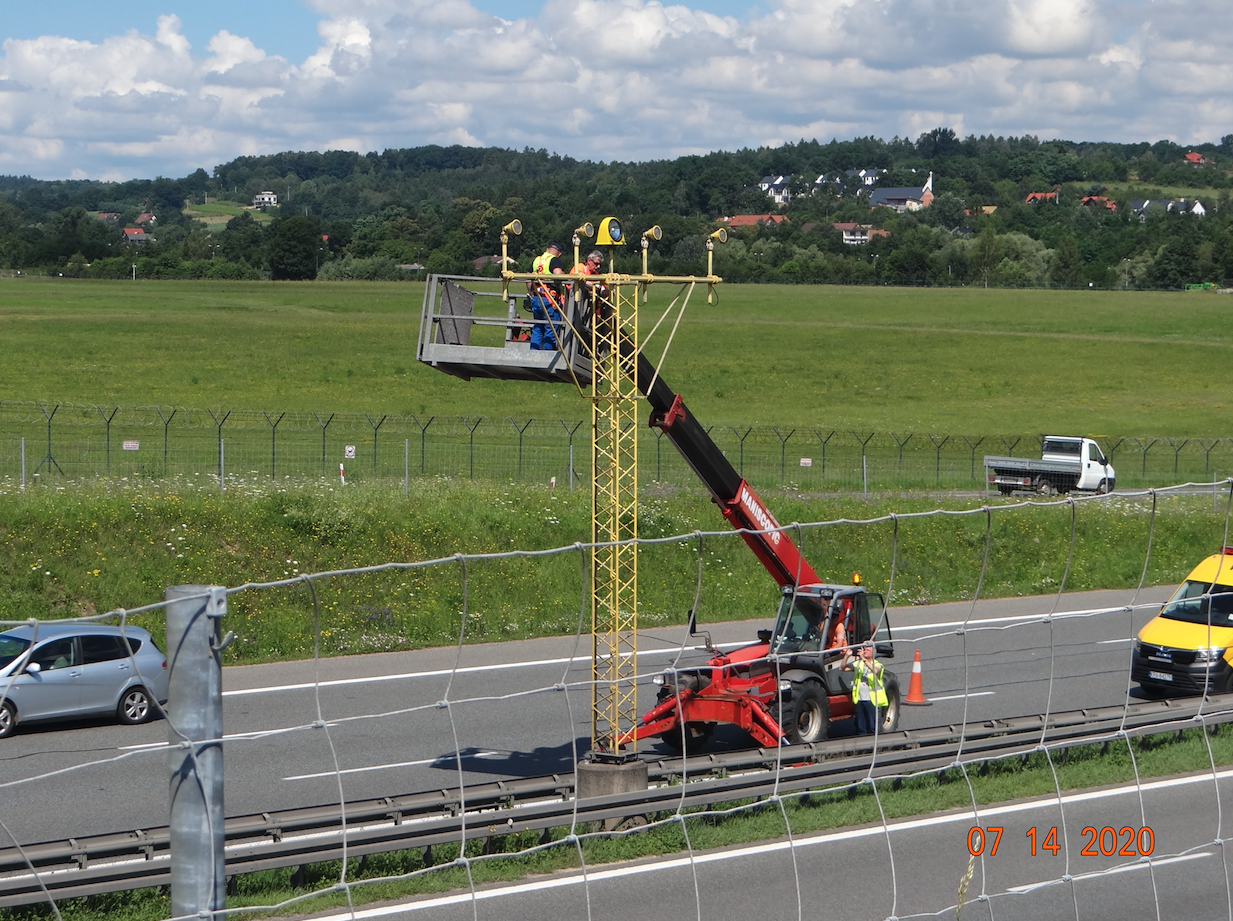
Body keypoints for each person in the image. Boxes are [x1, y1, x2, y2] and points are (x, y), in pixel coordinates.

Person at [529, 242, 566, 350]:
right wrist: (566, 276)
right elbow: (558, 274)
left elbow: (528, 277)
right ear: (559, 253)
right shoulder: (554, 260)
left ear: (547, 249)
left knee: (538, 327)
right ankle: (547, 356)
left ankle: (533, 353)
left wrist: (531, 292)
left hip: (536, 297)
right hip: (548, 298)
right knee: (551, 328)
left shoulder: (537, 260)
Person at [845, 642, 888, 736]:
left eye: (868, 649)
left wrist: (863, 659)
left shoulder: (878, 664)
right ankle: (862, 744)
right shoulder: (858, 664)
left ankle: (874, 744)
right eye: (864, 649)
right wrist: (846, 656)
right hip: (859, 699)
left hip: (871, 700)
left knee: (872, 726)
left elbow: (875, 670)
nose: (865, 651)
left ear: (873, 652)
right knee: (861, 726)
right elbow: (842, 668)